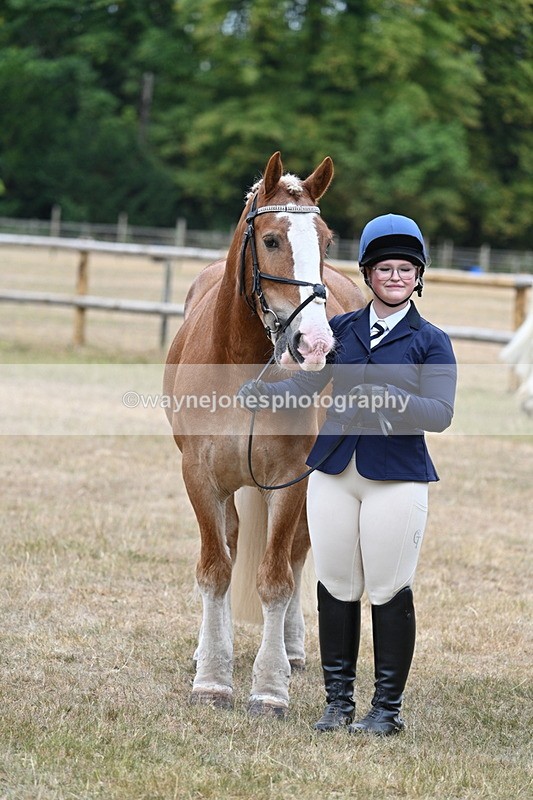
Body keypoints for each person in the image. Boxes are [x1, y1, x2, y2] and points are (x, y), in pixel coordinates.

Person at [238, 213, 457, 735]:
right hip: (334, 470)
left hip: (395, 477)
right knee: (335, 585)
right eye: (386, 268)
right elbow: (307, 389)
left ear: (418, 277)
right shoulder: (341, 331)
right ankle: (337, 703)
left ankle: (386, 710)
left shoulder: (432, 342)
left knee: (387, 589)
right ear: (368, 274)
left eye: (406, 269)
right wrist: (265, 392)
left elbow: (440, 414)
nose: (395, 276)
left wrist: (388, 396)